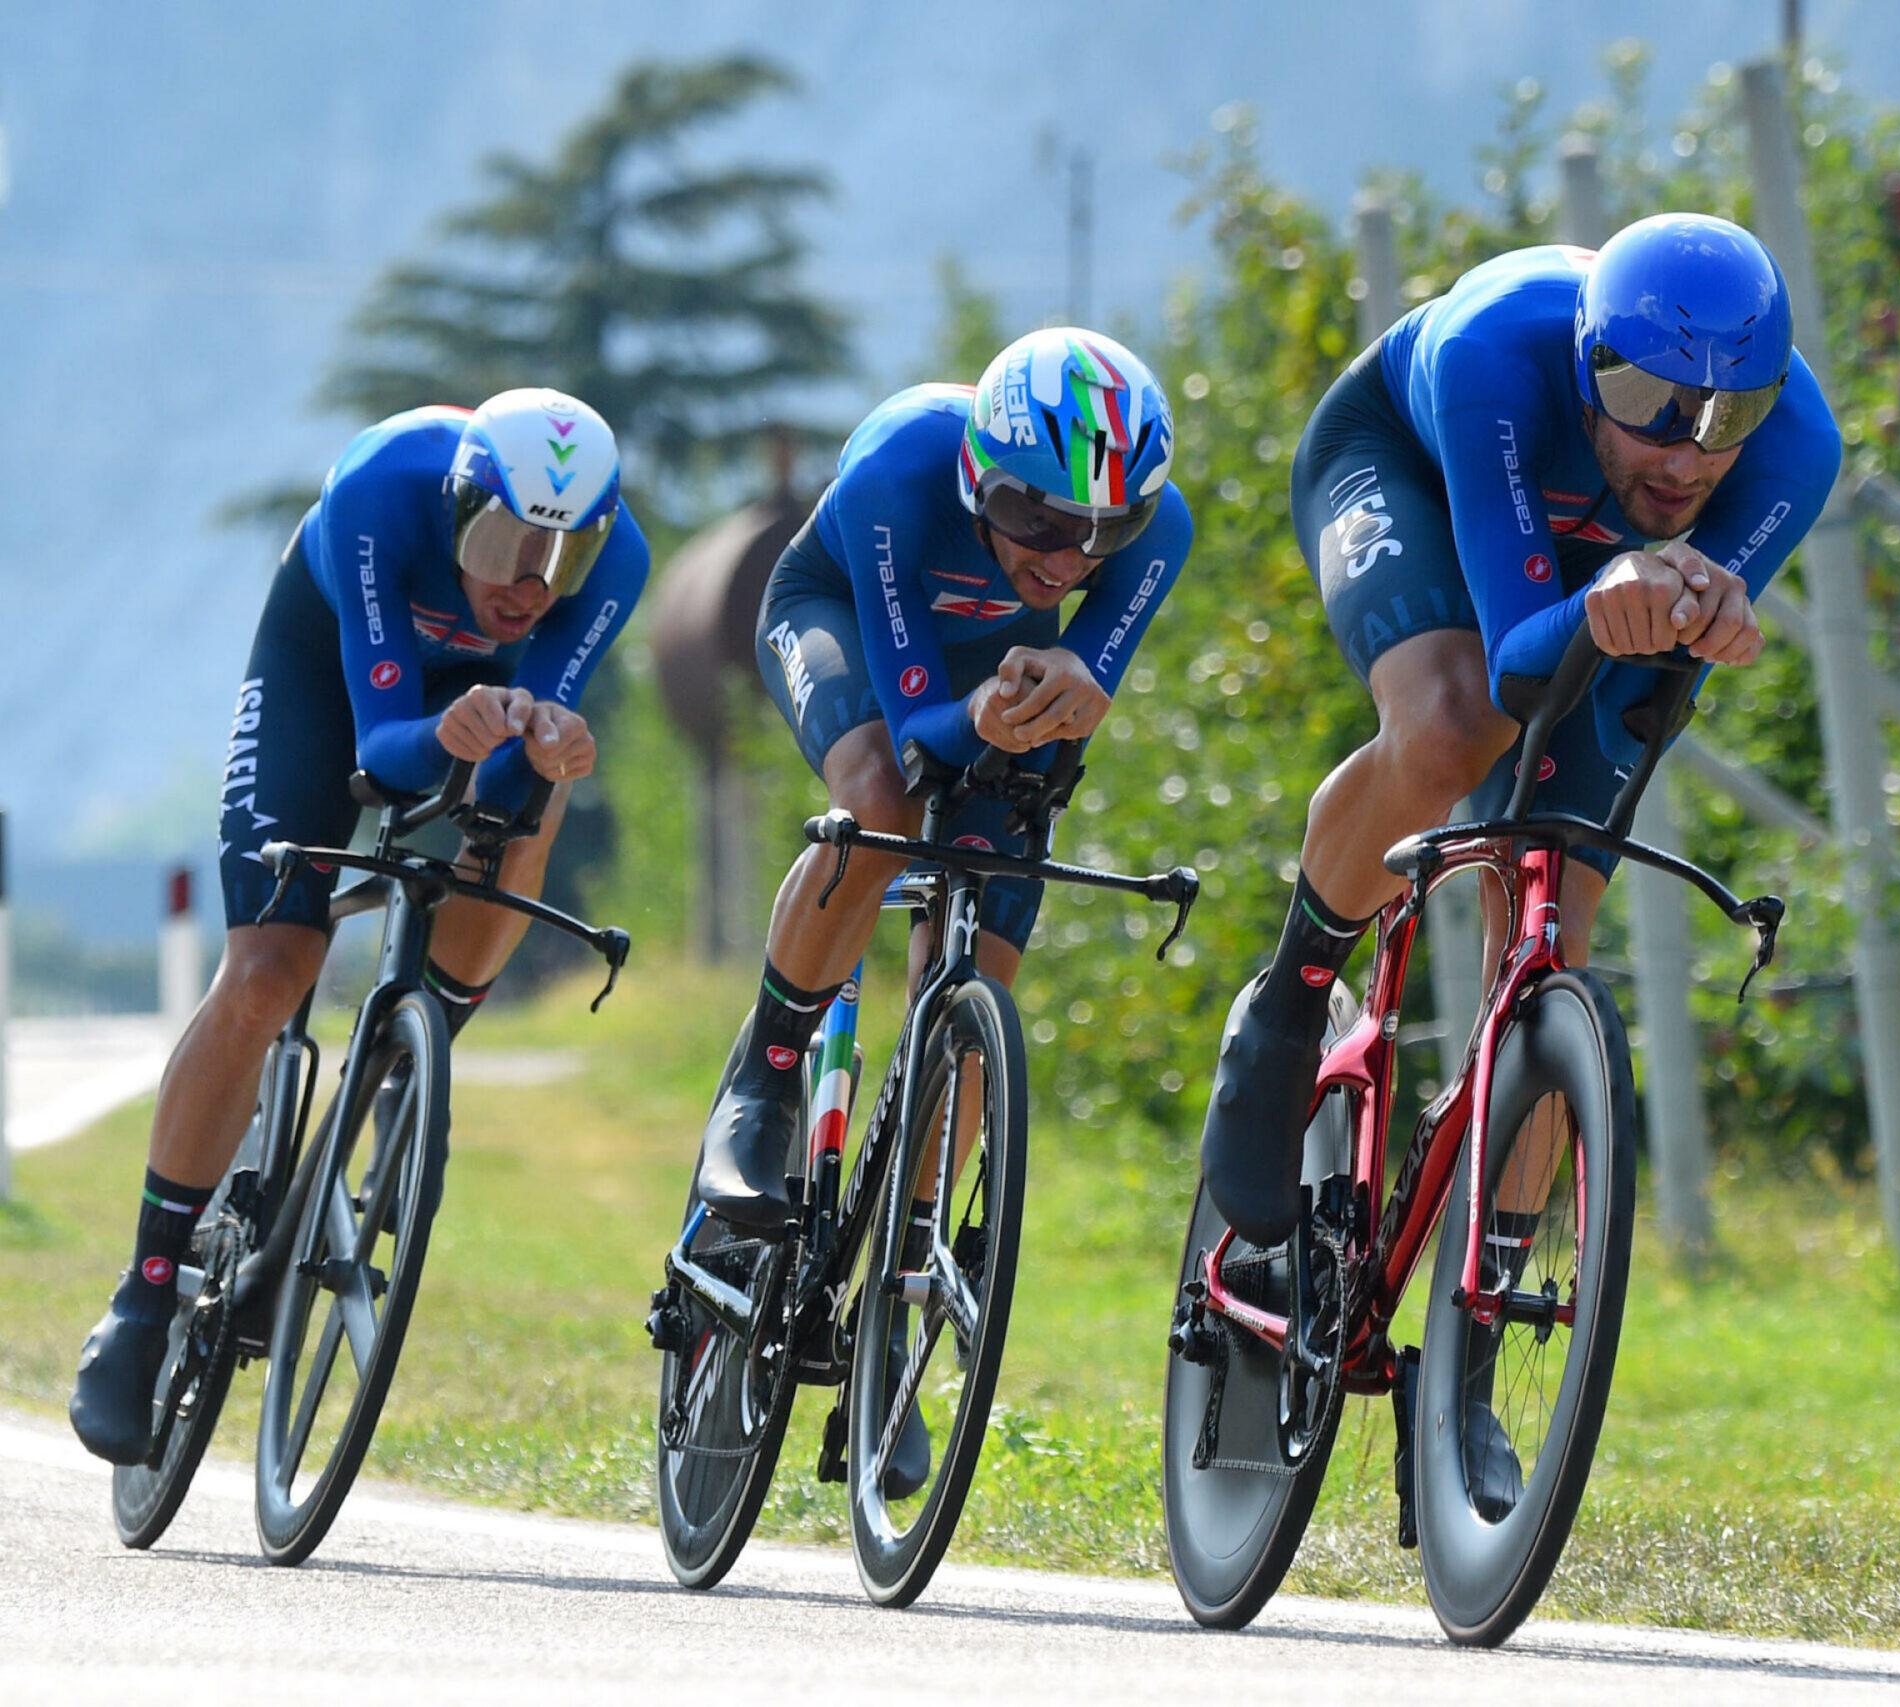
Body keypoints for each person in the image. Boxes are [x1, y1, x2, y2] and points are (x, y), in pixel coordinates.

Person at [1198, 215, 1840, 1502]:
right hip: (1410, 471)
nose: (1687, 453)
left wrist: (1708, 612)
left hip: (1591, 581)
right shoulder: (1501, 352)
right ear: (1590, 362)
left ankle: (1470, 1364)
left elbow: (1658, 654)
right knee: (1450, 727)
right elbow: (1514, 661)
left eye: (1727, 418)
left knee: (1560, 915)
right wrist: (1621, 596)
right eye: (1651, 406)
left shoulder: (1797, 446)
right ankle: (1287, 998)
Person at [68, 389, 651, 1465]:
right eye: (501, 543)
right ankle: (144, 1297)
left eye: (560, 560)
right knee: (269, 972)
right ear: (458, 505)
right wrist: (445, 730)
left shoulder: (616, 567)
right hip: (336, 677)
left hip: (476, 713)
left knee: (537, 795)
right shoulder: (384, 492)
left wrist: (548, 744)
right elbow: (383, 747)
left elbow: (534, 735)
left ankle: (405, 1059)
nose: (528, 583)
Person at [694, 328, 1190, 1234]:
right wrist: (982, 718)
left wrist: (1077, 677)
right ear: (977, 475)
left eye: (1105, 532)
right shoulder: (900, 464)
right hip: (837, 614)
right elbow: (923, 729)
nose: (1068, 560)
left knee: (1005, 870)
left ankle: (911, 1238)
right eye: (1037, 519)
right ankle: (762, 1085)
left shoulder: (1164, 530)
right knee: (882, 794)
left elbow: (1067, 698)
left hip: (986, 671)